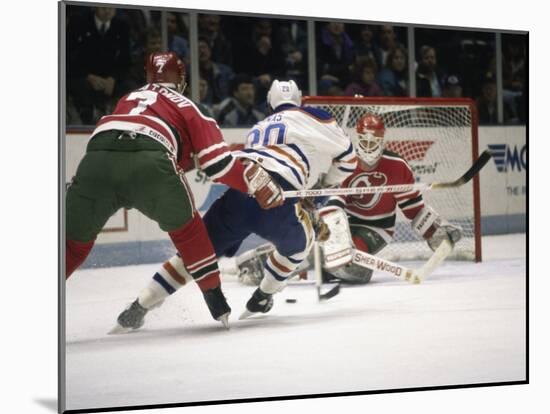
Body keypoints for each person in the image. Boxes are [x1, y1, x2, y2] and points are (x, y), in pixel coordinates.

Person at [112, 79, 358, 330]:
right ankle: (262, 298)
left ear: (269, 103)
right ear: (300, 99)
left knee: (197, 254)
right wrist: (322, 192)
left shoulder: (258, 127)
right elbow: (349, 159)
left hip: (240, 192)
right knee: (299, 248)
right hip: (278, 198)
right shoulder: (314, 115)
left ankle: (139, 305)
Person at [66, 52, 284, 329]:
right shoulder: (189, 106)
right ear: (182, 80)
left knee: (70, 246)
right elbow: (216, 164)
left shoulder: (128, 98)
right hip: (151, 161)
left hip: (96, 159)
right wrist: (255, 185)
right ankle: (216, 302)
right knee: (189, 232)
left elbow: (146, 146)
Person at [237, 113, 463, 285]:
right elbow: (333, 199)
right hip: (343, 221)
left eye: (374, 141)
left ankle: (316, 262)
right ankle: (273, 259)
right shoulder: (347, 162)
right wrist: (326, 226)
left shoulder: (397, 166)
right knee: (321, 245)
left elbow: (413, 206)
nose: (368, 145)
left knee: (340, 262)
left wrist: (434, 232)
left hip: (376, 229)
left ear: (382, 140)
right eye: (363, 140)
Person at [67, 7, 132, 124]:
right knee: (79, 86)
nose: (107, 11)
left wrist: (113, 78)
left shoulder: (122, 24)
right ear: (94, 7)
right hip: (84, 75)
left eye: (111, 8)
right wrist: (88, 76)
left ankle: (122, 121)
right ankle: (87, 119)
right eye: (103, 7)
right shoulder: (79, 22)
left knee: (129, 87)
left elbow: (125, 60)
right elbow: (68, 56)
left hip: (110, 78)